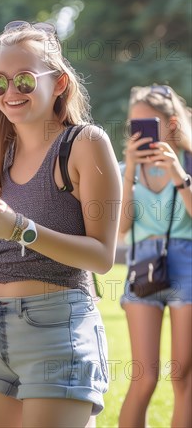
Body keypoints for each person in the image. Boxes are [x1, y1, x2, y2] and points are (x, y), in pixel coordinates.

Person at [0, 21, 122, 427]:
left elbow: (101, 257)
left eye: (24, 80)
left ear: (59, 83)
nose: (11, 93)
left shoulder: (84, 143)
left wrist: (18, 228)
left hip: (57, 326)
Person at [118, 85, 192, 428]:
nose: (140, 132)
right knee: (143, 378)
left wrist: (179, 175)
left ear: (172, 124)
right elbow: (118, 230)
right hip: (143, 268)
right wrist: (131, 168)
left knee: (184, 378)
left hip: (187, 268)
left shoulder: (187, 163)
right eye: (135, 125)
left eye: (149, 123)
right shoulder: (124, 171)